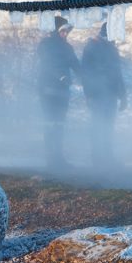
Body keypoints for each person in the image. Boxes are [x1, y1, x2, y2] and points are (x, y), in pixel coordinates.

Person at [35, 15, 80, 169]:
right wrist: (60, 76)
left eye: (68, 31)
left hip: (62, 90)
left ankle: (59, 158)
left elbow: (76, 65)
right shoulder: (46, 44)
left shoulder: (67, 47)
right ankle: (51, 160)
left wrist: (89, 78)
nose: (66, 33)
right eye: (63, 30)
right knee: (50, 123)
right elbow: (47, 63)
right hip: (47, 89)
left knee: (59, 124)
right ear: (56, 30)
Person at [80, 21, 126, 168]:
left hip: (111, 94)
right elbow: (85, 73)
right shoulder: (92, 47)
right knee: (97, 125)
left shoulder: (112, 49)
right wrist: (89, 95)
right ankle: (97, 158)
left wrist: (123, 96)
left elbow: (118, 74)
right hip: (97, 94)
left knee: (108, 127)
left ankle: (108, 157)